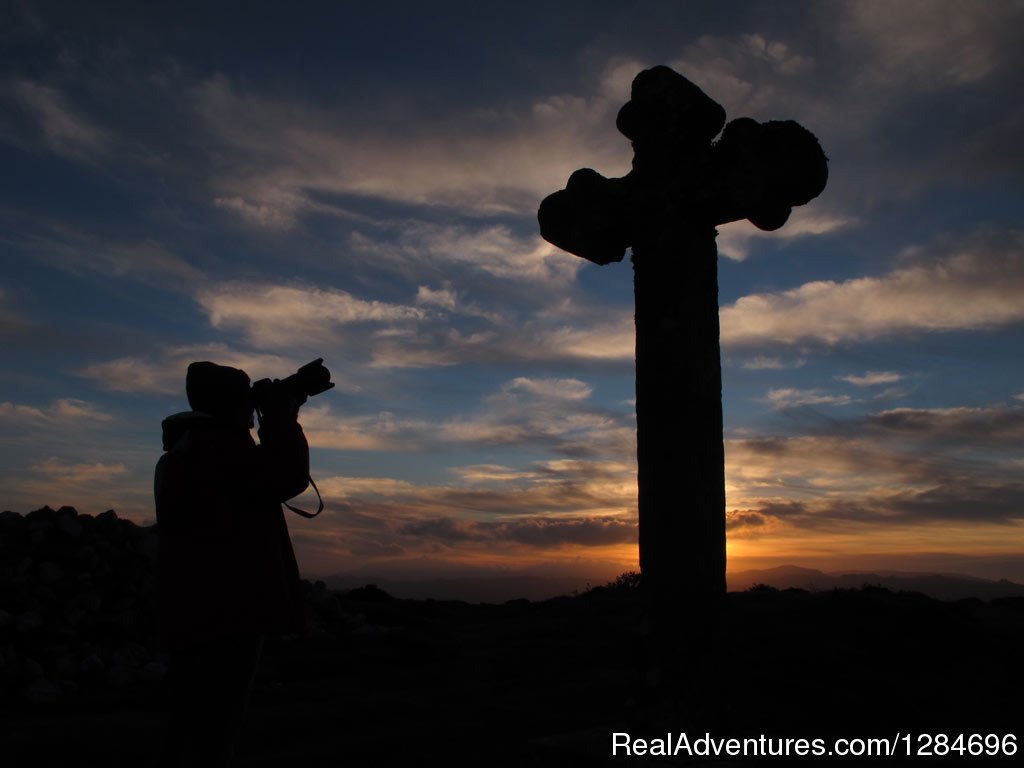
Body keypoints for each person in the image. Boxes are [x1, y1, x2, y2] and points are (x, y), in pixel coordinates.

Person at [154, 361, 311, 767]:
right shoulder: (217, 449)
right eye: (246, 400)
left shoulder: (185, 448)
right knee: (216, 725)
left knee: (190, 719)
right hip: (229, 605)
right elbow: (287, 475)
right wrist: (281, 418)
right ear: (231, 405)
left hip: (193, 602)